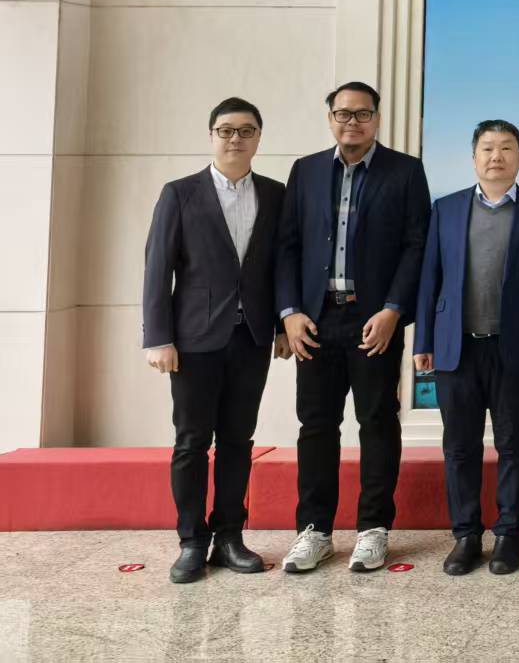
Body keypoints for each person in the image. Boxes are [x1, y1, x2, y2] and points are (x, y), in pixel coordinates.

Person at [275, 81, 430, 574]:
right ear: (330, 119)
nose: (352, 122)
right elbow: (287, 246)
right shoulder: (305, 171)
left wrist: (393, 310)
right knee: (316, 426)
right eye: (343, 114)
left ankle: (373, 529)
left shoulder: (405, 171)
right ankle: (314, 531)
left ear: (376, 119)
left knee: (377, 422)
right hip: (315, 320)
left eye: (362, 114)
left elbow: (416, 246)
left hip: (374, 320)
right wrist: (289, 312)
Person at [141, 97, 285, 583]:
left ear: (258, 138)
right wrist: (158, 337)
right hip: (193, 340)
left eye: (246, 131)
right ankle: (191, 541)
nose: (235, 139)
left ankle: (229, 537)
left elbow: (281, 266)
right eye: (226, 130)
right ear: (211, 136)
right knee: (191, 442)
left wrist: (282, 326)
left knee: (238, 442)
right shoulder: (180, 193)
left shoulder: (275, 194)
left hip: (252, 337)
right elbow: (157, 269)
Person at [412, 120, 519, 576]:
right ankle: (466, 536)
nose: (496, 156)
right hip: (456, 348)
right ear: (474, 157)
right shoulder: (447, 208)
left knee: (514, 446)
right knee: (459, 447)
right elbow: (430, 278)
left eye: (506, 148)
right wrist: (424, 340)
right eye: (488, 148)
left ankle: (509, 535)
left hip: (513, 348)